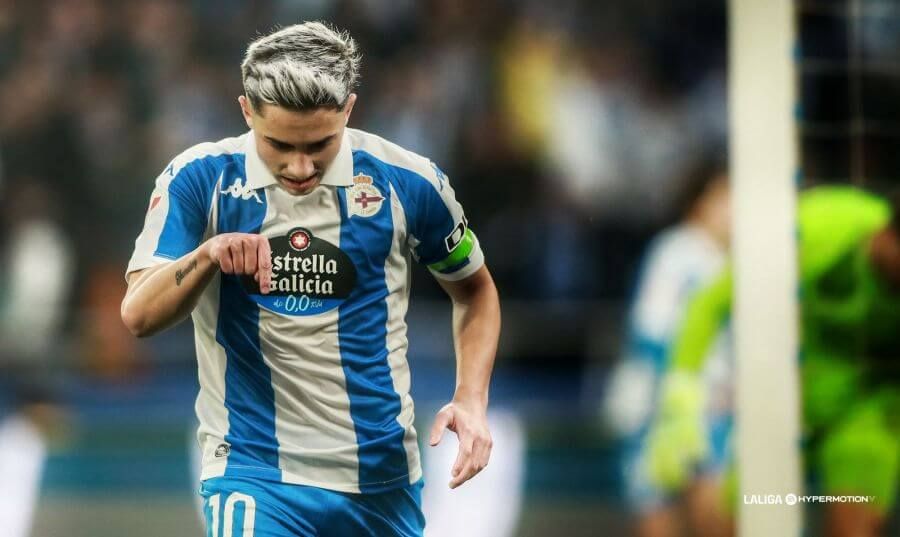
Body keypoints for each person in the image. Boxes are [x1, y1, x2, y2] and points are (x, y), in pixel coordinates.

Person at [120, 22, 501, 537]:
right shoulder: (199, 179)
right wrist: (208, 255)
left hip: (381, 480)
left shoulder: (409, 181)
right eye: (279, 144)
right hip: (254, 474)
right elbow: (137, 313)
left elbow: (474, 289)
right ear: (246, 111)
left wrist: (472, 399)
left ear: (348, 109)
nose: (300, 167)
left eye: (320, 144)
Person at [649, 185, 900, 537]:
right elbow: (709, 303)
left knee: (854, 528)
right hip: (785, 398)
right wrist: (681, 399)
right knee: (750, 517)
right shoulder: (818, 226)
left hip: (867, 411)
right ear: (888, 237)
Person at [603, 156, 733, 537]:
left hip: (713, 409)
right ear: (702, 200)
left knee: (717, 513)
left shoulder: (732, 259)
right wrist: (671, 402)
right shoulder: (677, 253)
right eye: (728, 197)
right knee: (664, 515)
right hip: (663, 409)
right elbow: (651, 332)